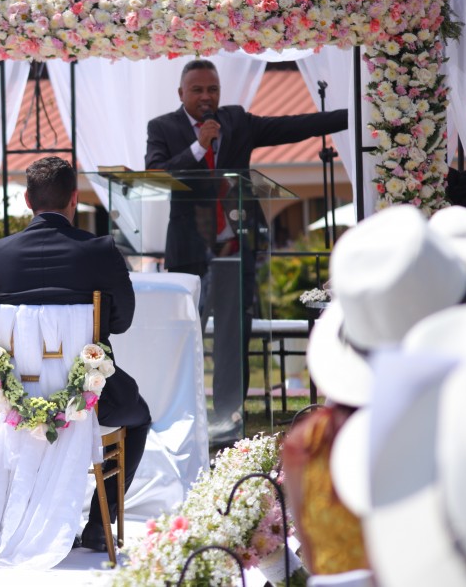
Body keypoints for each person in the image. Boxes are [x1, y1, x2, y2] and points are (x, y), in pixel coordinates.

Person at [0, 156, 151, 560]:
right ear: (74, 199)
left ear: (28, 199)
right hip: (90, 396)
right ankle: (101, 528)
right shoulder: (100, 249)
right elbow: (123, 321)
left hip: (17, 398)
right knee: (139, 415)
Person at [145, 59, 347, 437]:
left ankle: (227, 421)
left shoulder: (235, 121)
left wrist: (354, 113)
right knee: (185, 337)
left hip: (234, 253)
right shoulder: (163, 128)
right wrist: (197, 146)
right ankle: (180, 418)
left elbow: (291, 127)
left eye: (213, 89)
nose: (207, 97)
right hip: (189, 254)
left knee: (232, 340)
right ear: (181, 94)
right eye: (198, 90)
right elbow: (157, 177)